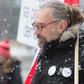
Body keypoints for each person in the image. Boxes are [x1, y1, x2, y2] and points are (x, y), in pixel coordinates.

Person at [25, 0, 84, 84]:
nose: (36, 32)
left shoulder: (80, 52)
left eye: (41, 26)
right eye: (35, 26)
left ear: (61, 26)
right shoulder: (45, 51)